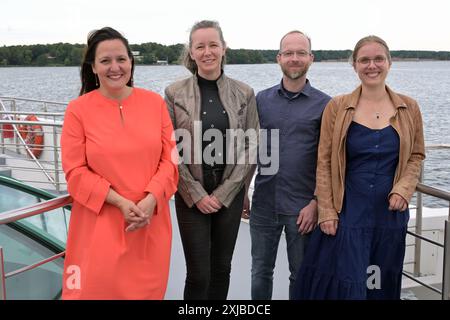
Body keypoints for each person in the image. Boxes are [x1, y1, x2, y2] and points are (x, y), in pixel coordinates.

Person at [293, 35, 426, 300]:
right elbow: (324, 160)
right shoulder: (338, 107)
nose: (371, 65)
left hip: (389, 214)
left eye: (378, 59)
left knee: (379, 281)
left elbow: (416, 155)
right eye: (364, 60)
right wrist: (327, 211)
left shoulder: (409, 107)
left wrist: (404, 188)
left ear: (389, 63)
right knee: (349, 282)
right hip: (348, 211)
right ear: (354, 65)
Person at [61, 27, 178, 299]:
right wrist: (121, 202)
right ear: (93, 67)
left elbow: (171, 159)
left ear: (131, 62)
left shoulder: (154, 103)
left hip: (150, 225)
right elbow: (75, 172)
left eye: (121, 59)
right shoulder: (77, 110)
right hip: (99, 227)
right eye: (105, 61)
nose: (115, 67)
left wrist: (150, 199)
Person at [164, 20, 259, 300]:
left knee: (221, 269)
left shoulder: (244, 93)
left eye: (213, 45)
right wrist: (195, 193)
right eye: (200, 46)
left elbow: (251, 146)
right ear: (191, 52)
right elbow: (168, 148)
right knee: (198, 274)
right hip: (190, 194)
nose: (207, 51)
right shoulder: (174, 93)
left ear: (224, 48)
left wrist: (224, 193)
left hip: (229, 194)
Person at [248, 30, 331, 300]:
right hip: (263, 204)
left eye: (300, 53)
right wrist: (241, 194)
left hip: (303, 208)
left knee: (300, 275)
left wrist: (317, 203)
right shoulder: (260, 100)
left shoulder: (326, 105)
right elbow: (250, 150)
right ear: (279, 58)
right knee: (260, 272)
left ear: (311, 58)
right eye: (289, 53)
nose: (294, 58)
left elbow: (328, 160)